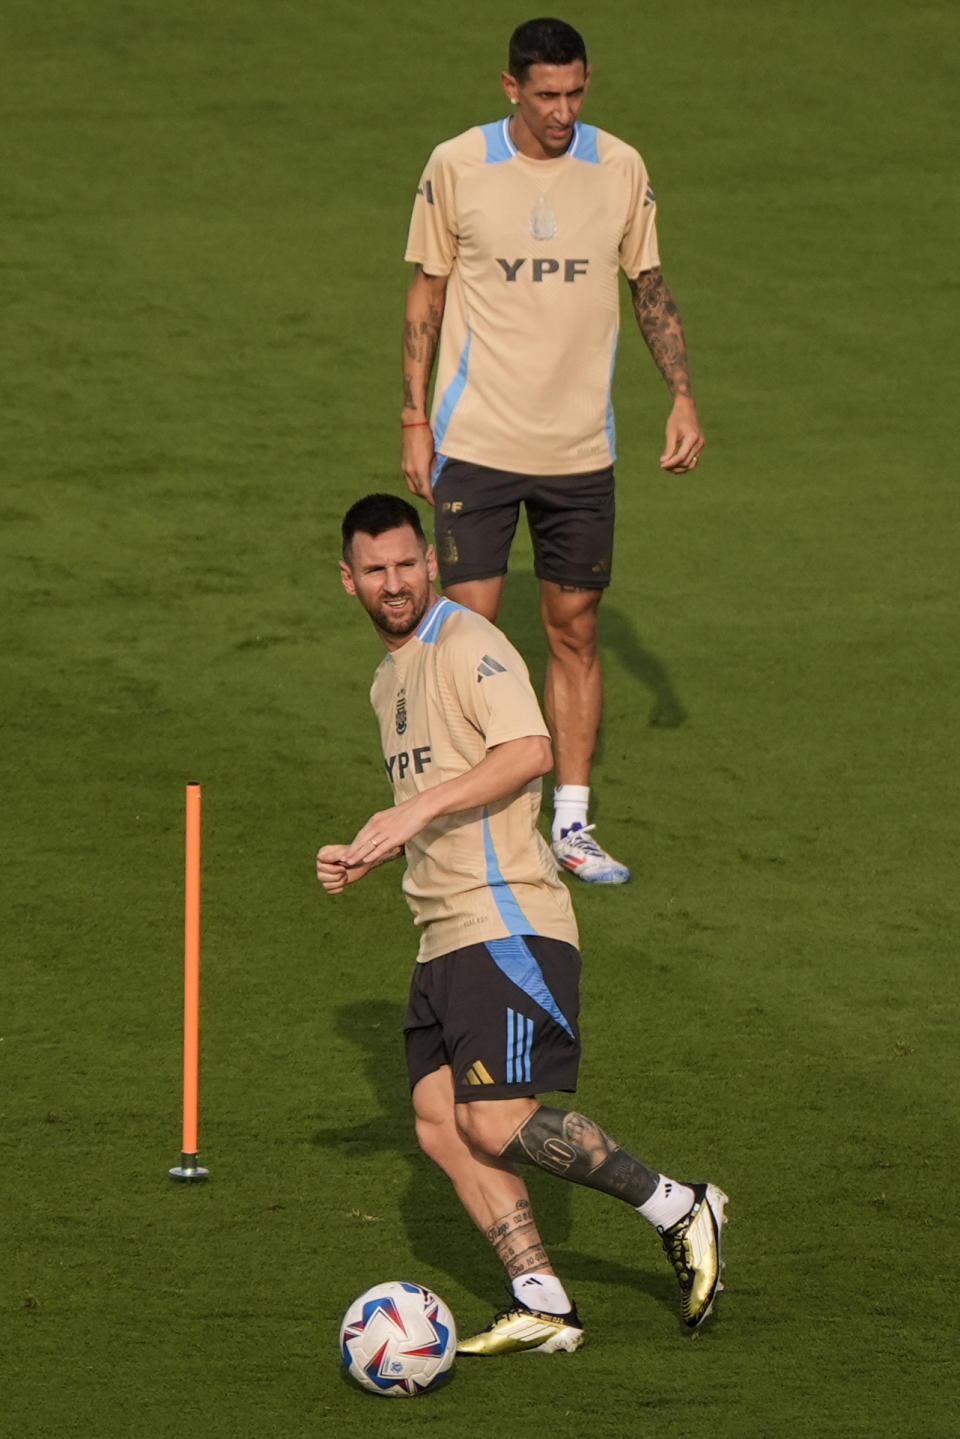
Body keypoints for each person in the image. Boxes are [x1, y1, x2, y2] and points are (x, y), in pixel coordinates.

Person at [317, 493, 726, 1355]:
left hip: (503, 922)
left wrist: (410, 812)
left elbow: (530, 750)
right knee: (438, 1122)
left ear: (430, 561)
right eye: (374, 569)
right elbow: (439, 802)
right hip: (441, 933)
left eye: (405, 563)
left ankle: (679, 1204)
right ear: (346, 578)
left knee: (497, 1119)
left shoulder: (469, 642)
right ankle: (543, 1301)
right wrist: (374, 847)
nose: (393, 583)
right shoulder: (387, 677)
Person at [400, 17, 705, 886]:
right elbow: (426, 293)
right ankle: (470, 817)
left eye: (576, 92)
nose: (563, 110)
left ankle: (570, 822)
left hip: (580, 453)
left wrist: (681, 393)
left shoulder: (620, 168)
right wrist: (412, 417)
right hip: (479, 444)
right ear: (510, 89)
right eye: (546, 95)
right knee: (468, 632)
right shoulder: (457, 165)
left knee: (574, 633)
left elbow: (648, 285)